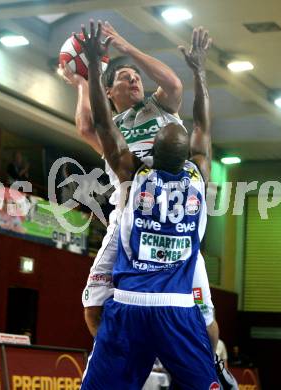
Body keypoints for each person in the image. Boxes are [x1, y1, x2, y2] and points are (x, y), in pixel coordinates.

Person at [76, 21, 219, 390]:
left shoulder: (135, 158)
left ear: (153, 151)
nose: (134, 79)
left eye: (136, 75)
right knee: (94, 306)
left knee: (205, 317)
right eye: (124, 77)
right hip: (147, 220)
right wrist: (201, 70)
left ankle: (202, 357)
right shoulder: (198, 173)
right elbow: (203, 124)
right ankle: (138, 356)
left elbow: (171, 88)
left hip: (136, 206)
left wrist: (91, 66)